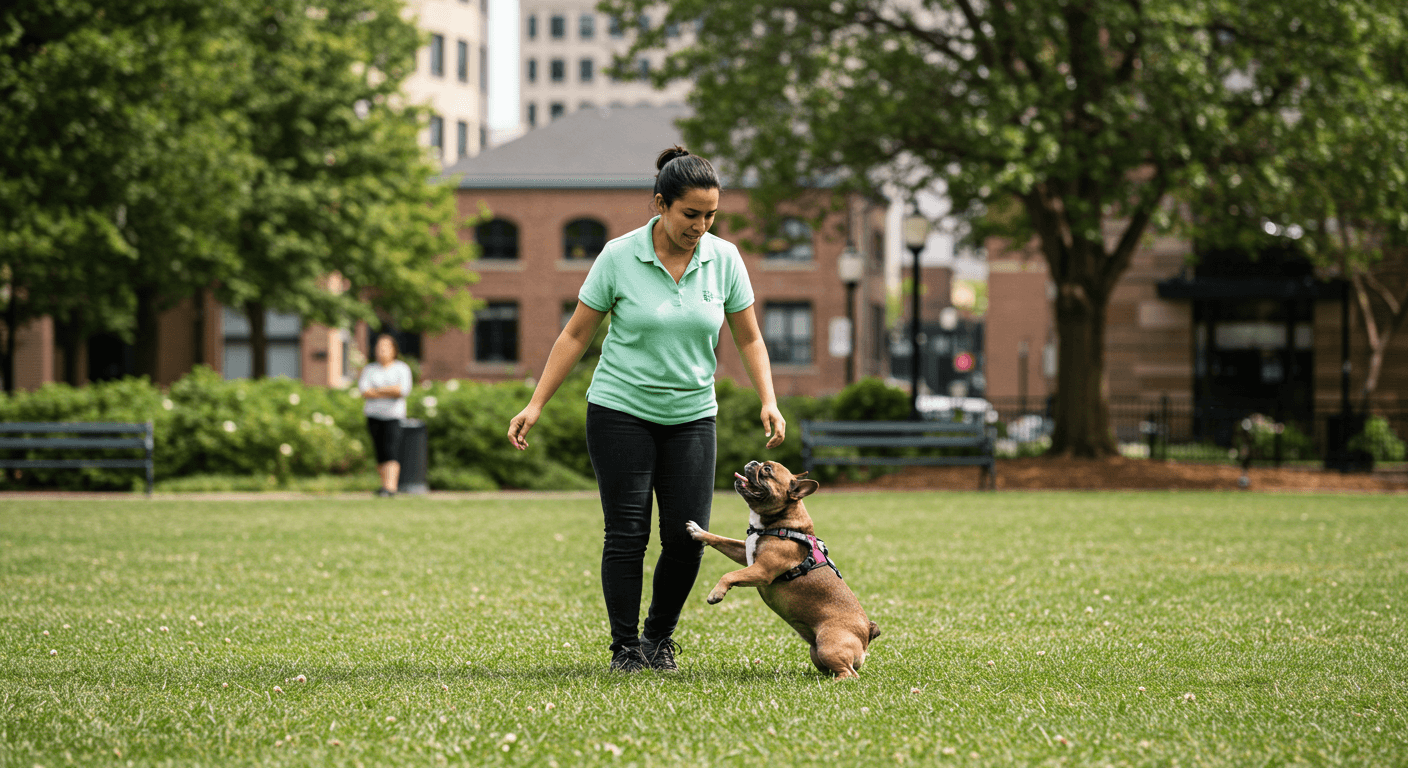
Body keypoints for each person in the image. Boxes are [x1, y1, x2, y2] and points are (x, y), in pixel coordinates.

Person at [507, 145, 786, 673]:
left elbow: (749, 338)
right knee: (627, 533)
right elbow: (576, 334)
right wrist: (536, 403)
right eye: (690, 214)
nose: (701, 225)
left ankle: (658, 639)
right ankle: (625, 648)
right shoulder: (618, 256)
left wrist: (767, 399)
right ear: (661, 203)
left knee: (687, 538)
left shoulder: (724, 259)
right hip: (619, 411)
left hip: (692, 416)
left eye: (710, 215)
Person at [359, 333, 413, 498]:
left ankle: (391, 487)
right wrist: (389, 390)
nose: (381, 351)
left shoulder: (401, 368)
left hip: (393, 416)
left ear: (393, 350)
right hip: (373, 416)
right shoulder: (370, 369)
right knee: (380, 451)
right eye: (378, 348)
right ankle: (384, 486)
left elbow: (401, 390)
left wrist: (378, 390)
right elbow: (365, 391)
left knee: (391, 450)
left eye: (384, 348)